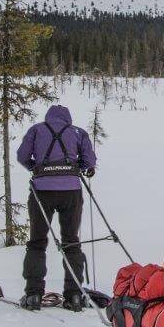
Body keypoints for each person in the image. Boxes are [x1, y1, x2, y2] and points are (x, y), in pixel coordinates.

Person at [16, 104, 98, 311]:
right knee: (71, 242)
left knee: (37, 241)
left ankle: (33, 294)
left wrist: (36, 167)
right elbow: (89, 161)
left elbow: (22, 156)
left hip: (42, 191)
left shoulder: (36, 130)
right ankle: (74, 296)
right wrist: (74, 168)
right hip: (71, 191)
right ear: (68, 119)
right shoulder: (78, 132)